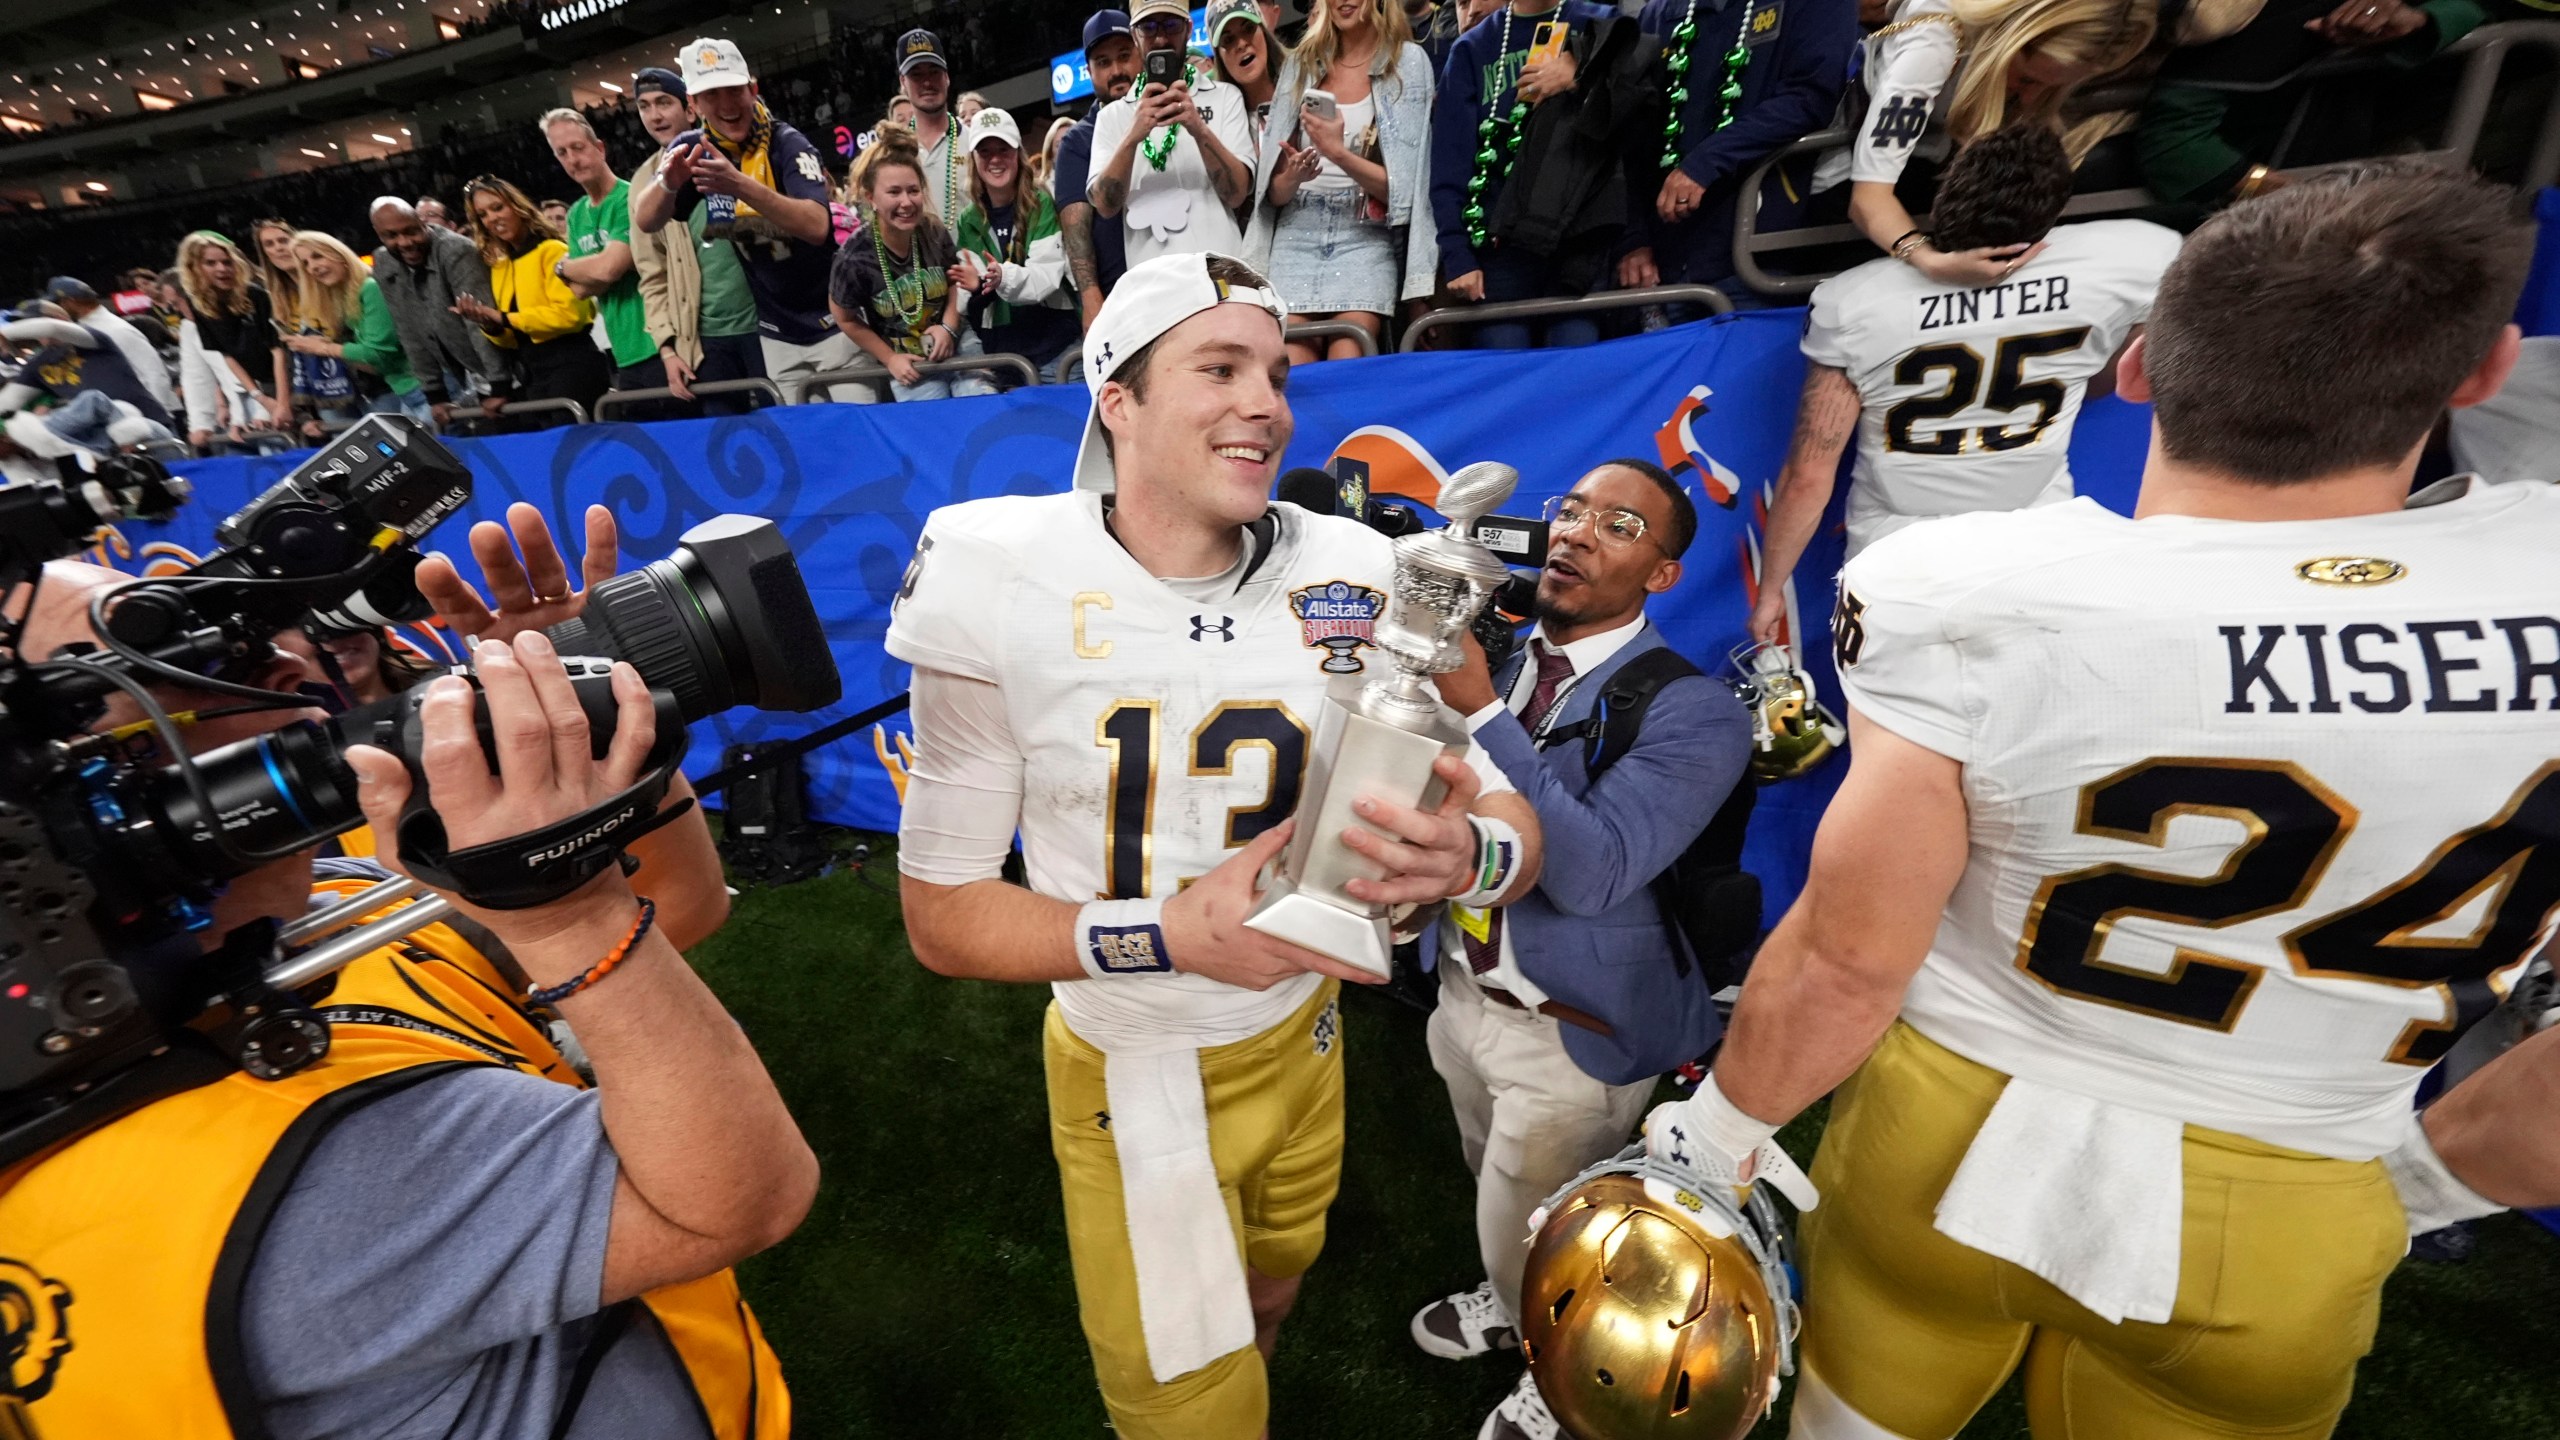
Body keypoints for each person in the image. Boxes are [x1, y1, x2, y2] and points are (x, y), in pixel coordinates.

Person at [1643, 162, 2544, 1440]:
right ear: (2481, 370)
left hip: (1948, 1132)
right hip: (2290, 1195)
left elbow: (1848, 958)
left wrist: (1719, 1127)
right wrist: (2406, 1185)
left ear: (2136, 368)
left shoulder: (1970, 585)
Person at [888, 250, 1543, 1439]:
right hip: (1136, 1070)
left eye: (1279, 375)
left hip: (1309, 1042)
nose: (1268, 405)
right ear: (1117, 400)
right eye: (1220, 367)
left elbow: (1509, 810)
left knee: (1276, 1288)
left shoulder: (1358, 568)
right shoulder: (1001, 574)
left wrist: (1470, 864)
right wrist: (1171, 935)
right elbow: (943, 917)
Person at [0, 511, 810, 1436]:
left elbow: (680, 906)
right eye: (172, 681)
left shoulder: (294, 926)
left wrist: (572, 704)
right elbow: (743, 1196)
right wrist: (573, 914)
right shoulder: (304, 1186)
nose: (295, 676)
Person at [1413, 457, 1752, 1440]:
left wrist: (1480, 711)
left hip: (1573, 1025)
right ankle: (1512, 1296)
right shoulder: (1510, 655)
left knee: (1558, 1219)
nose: (1571, 534)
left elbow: (1594, 872)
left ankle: (1560, 1376)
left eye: (1616, 525)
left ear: (1661, 575)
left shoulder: (1696, 710)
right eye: (1568, 512)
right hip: (1465, 988)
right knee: (1499, 1192)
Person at [1749, 124, 2179, 644]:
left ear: (1943, 194)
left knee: (1896, 713)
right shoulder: (2132, 256)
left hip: (1901, 549)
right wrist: (2064, 373)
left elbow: (1808, 476)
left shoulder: (1855, 300)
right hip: (2036, 535)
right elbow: (2133, 367)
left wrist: (1770, 591)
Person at [1820, 0, 2156, 287]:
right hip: (1846, 189)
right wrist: (1930, 262)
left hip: (1934, 170)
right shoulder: (1933, 44)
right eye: (2026, 79)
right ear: (2012, 38)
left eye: (2052, 87)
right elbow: (1867, 199)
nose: (2030, 97)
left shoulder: (2041, 52)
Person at [633, 38, 856, 403]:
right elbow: (646, 220)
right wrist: (668, 185)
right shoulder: (691, 148)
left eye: (733, 90)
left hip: (837, 322)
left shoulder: (788, 143)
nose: (726, 104)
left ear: (753, 89)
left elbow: (816, 226)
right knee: (801, 446)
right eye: (711, 94)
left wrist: (739, 185)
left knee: (857, 437)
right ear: (693, 103)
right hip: (776, 334)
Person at [1428, 0, 1645, 349]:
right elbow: (1448, 166)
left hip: (1580, 250)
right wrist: (1457, 253)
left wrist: (1581, 72)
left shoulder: (1604, 24)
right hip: (1499, 255)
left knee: (1572, 381)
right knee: (1508, 385)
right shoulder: (1472, 47)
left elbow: (1634, 138)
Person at [1616, 0, 1856, 304]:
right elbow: (1632, 136)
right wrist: (1634, 238)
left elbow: (1810, 96)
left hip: (1759, 253)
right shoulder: (1659, 13)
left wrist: (1706, 162)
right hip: (1664, 263)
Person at [2136, 0, 2482, 207]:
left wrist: (2420, 21)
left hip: (2334, 140)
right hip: (2225, 183)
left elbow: (2481, 8)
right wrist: (2319, 205)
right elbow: (2174, 145)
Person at [1247, 0, 1437, 362]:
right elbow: (1271, 194)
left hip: (1364, 238)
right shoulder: (1300, 63)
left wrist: (1338, 154)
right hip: (1295, 235)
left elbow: (1404, 192)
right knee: (1295, 370)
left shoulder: (1409, 62)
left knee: (1349, 361)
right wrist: (1293, 176)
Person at [627, 65, 772, 416]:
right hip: (705, 340)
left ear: (690, 108)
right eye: (644, 106)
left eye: (663, 103)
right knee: (724, 444)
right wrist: (668, 349)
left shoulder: (742, 151)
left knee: (787, 432)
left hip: (767, 326)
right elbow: (652, 275)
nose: (655, 115)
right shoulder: (643, 184)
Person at [829, 124, 999, 403]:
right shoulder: (853, 256)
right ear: (871, 197)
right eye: (894, 192)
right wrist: (889, 359)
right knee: (932, 433)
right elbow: (844, 317)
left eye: (913, 190)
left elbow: (954, 280)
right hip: (909, 363)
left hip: (959, 342)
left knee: (980, 406)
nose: (906, 202)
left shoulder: (932, 230)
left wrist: (947, 326)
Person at [1087, 0, 1259, 270]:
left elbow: (1236, 194)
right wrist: (1132, 137)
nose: (1160, 37)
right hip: (1152, 282)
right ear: (1134, 35)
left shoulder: (1225, 96)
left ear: (1189, 29)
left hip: (1221, 273)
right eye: (1148, 27)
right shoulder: (1112, 118)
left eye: (1171, 25)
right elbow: (1105, 205)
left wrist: (1199, 128)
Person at [453, 175, 610, 417]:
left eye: (497, 208)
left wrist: (503, 318)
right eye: (483, 215)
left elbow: (569, 316)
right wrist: (490, 325)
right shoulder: (500, 266)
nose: (492, 218)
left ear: (518, 207)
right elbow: (514, 338)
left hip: (573, 366)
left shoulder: (553, 251)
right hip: (533, 374)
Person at [950, 106, 1082, 378]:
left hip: (1055, 348)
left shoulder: (1041, 202)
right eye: (985, 151)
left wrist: (999, 277)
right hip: (1004, 355)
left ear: (1018, 154)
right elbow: (970, 291)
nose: (995, 159)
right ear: (974, 159)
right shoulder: (969, 219)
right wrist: (976, 288)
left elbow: (1045, 277)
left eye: (1003, 150)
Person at [542, 108, 661, 408]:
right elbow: (580, 289)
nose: (573, 159)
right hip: (623, 351)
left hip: (659, 344)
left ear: (599, 148)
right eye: (562, 152)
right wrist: (585, 272)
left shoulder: (630, 197)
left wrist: (561, 265)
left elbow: (609, 270)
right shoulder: (576, 214)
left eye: (578, 148)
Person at [368, 198, 512, 429]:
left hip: (508, 371)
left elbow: (478, 322)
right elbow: (408, 330)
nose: (405, 242)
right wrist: (436, 396)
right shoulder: (384, 262)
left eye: (411, 231)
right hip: (466, 375)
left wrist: (499, 385)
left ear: (422, 222)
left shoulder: (457, 250)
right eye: (392, 236)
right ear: (379, 235)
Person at [281, 231, 432, 428]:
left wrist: (326, 349)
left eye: (317, 256)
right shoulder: (348, 298)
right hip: (407, 393)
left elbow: (378, 353)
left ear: (340, 254)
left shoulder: (370, 287)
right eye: (306, 263)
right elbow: (378, 365)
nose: (313, 267)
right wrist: (329, 348)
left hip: (424, 390)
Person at [1058, 9, 1144, 329]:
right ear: (1090, 71)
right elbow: (1075, 226)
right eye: (1104, 63)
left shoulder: (1169, 111)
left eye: (1124, 56)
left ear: (1141, 52)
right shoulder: (1078, 140)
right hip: (1118, 295)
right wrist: (1091, 297)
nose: (1117, 71)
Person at [174, 230, 292, 432]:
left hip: (289, 380)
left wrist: (282, 403)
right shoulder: (199, 305)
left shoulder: (255, 294)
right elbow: (227, 355)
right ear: (194, 267)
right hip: (261, 387)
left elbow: (278, 350)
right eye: (210, 263)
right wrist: (260, 398)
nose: (222, 269)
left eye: (227, 262)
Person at [0, 299, 177, 431]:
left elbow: (52, 328)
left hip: (149, 423)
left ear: (60, 317)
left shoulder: (93, 338)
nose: (27, 329)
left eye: (29, 323)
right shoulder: (37, 365)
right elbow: (7, 403)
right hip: (106, 440)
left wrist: (4, 332)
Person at [43, 275, 181, 416]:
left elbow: (154, 373)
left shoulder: (114, 329)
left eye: (57, 304)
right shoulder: (87, 329)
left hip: (151, 414)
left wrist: (159, 415)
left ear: (69, 302)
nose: (56, 310)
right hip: (129, 415)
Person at [1210, 0, 1281, 136]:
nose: (1241, 44)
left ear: (1264, 32)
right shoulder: (1223, 128)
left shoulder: (1307, 81)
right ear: (1219, 58)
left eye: (1248, 29)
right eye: (1228, 40)